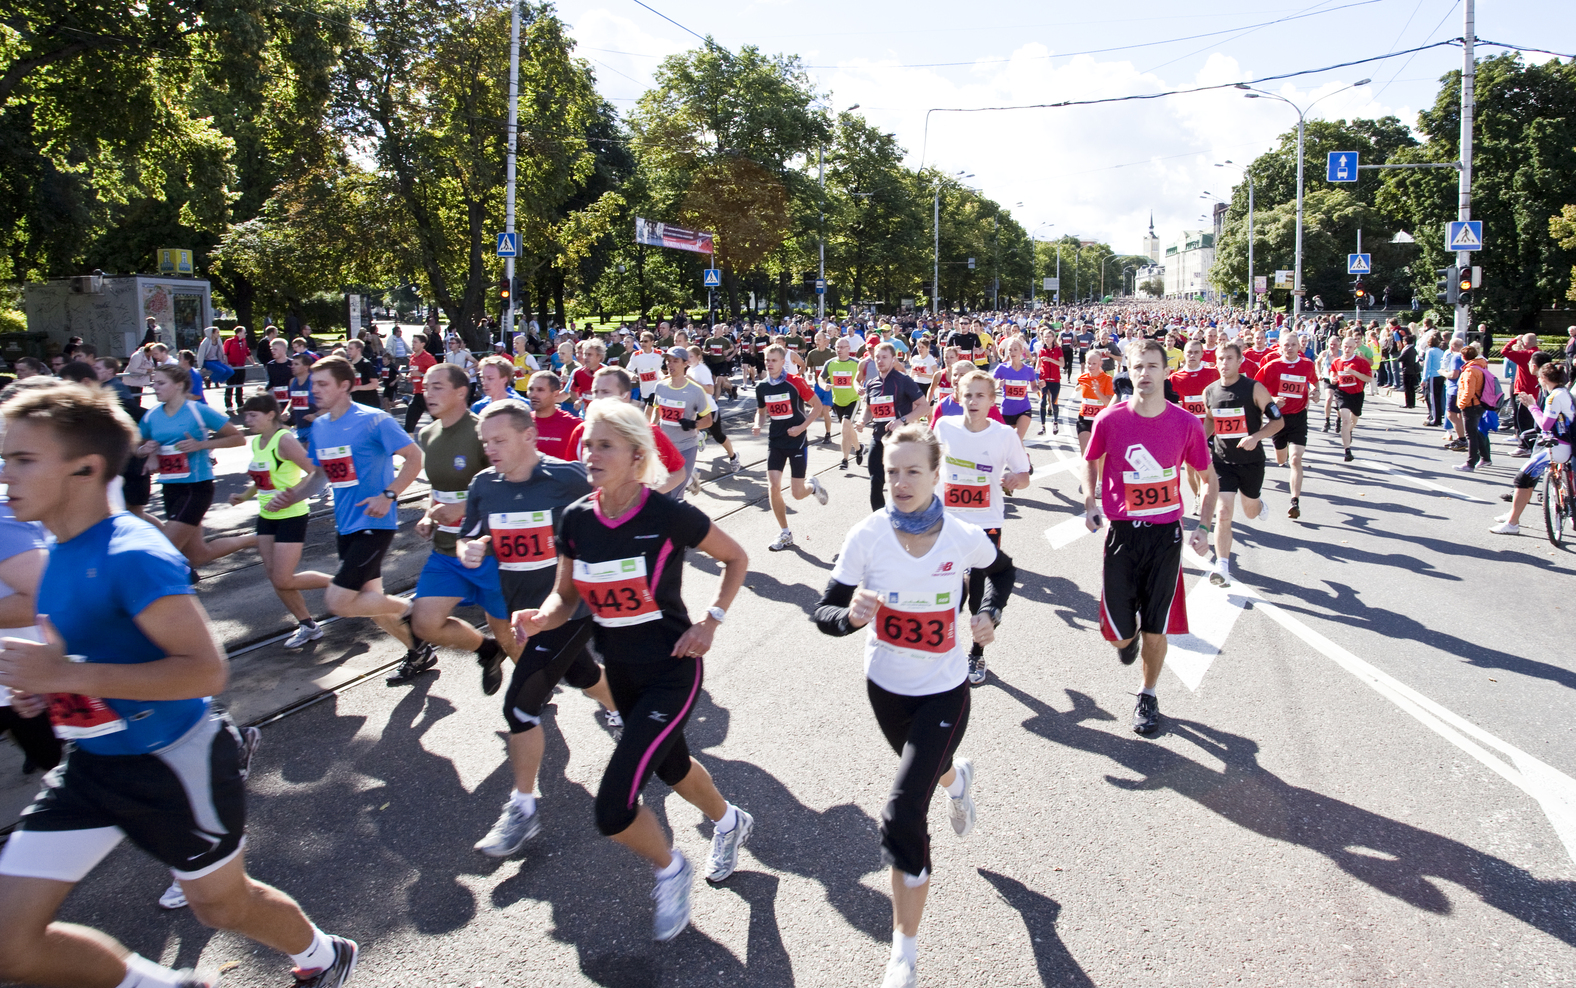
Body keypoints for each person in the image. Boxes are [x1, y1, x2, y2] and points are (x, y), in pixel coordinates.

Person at [0, 382, 359, 988]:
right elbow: (81, 654)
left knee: (220, 905)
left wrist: (63, 673)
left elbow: (205, 671)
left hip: (172, 762)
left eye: (23, 459)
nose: (7, 473)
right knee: (9, 946)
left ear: (85, 468)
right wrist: (48, 689)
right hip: (91, 764)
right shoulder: (57, 550)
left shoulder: (132, 552)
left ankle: (325, 956)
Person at [510, 399, 752, 942]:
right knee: (673, 768)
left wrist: (710, 622)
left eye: (604, 445)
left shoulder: (666, 514)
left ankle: (671, 868)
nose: (589, 453)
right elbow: (564, 597)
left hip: (673, 668)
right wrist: (539, 618)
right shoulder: (576, 519)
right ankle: (731, 821)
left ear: (637, 456)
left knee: (614, 804)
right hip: (621, 675)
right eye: (587, 443)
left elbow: (736, 558)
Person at [812, 423, 1015, 988]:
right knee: (928, 769)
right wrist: (850, 617)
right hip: (886, 688)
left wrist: (989, 617)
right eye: (890, 471)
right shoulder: (867, 536)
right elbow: (823, 612)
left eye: (912, 472)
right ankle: (958, 779)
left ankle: (903, 951)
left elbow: (1001, 572)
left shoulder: (961, 535)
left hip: (946, 689)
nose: (899, 482)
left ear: (935, 476)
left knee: (903, 810)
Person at [460, 401, 620, 856]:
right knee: (582, 675)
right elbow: (472, 532)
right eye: (485, 442)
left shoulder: (566, 478)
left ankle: (523, 809)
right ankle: (623, 710)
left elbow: (608, 510)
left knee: (520, 708)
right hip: (521, 610)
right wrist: (472, 548)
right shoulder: (483, 485)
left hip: (571, 607)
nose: (490, 449)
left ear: (529, 437)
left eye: (500, 440)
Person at [1082, 339, 1213, 736]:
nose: (1145, 374)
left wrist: (1204, 525)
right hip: (1122, 535)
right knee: (1121, 636)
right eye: (1138, 367)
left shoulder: (1185, 423)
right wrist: (1091, 500)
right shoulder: (1111, 420)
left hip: (1164, 538)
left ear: (1164, 372)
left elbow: (1208, 480)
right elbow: (1092, 460)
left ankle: (1148, 692)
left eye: (1153, 366)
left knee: (1156, 627)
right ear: (1130, 371)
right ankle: (1128, 641)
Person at [308, 355, 431, 670]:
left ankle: (412, 610)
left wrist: (389, 495)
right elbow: (320, 475)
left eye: (323, 384)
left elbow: (414, 456)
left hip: (375, 521)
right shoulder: (319, 426)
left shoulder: (375, 419)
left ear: (345, 385)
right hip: (345, 524)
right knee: (372, 604)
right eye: (313, 383)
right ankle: (420, 651)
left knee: (339, 602)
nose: (314, 390)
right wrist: (290, 495)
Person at [396, 364, 509, 690]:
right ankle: (487, 650)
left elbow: (508, 486)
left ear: (461, 392)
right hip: (447, 551)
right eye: (426, 387)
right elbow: (439, 489)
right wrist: (429, 515)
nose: (427, 394)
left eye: (436, 387)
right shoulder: (428, 435)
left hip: (489, 553)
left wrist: (464, 508)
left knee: (510, 636)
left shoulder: (481, 432)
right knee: (425, 624)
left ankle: (533, 693)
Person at [933, 371, 1030, 686]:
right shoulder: (944, 427)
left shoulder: (1004, 435)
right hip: (948, 522)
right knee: (945, 591)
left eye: (980, 396)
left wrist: (1016, 480)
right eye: (967, 395)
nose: (973, 401)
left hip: (986, 523)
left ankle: (976, 652)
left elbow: (1023, 474)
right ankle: (942, 650)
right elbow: (928, 464)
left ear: (991, 400)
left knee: (978, 594)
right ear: (959, 397)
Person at [229, 395, 332, 646]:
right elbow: (261, 479)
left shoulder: (284, 440)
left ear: (270, 415)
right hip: (266, 516)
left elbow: (315, 473)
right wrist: (244, 496)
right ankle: (307, 624)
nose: (247, 420)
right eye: (246, 415)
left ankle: (343, 584)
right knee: (275, 576)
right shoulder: (257, 443)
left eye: (253, 415)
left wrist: (292, 496)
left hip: (291, 515)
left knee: (284, 578)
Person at [134, 366, 256, 572]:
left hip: (196, 487)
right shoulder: (151, 416)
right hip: (170, 487)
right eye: (154, 382)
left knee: (164, 548)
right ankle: (256, 539)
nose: (154, 387)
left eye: (161, 383)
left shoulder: (197, 411)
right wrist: (148, 452)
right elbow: (137, 447)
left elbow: (238, 438)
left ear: (179, 385)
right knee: (198, 555)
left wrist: (201, 445)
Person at [1201, 343, 1282, 587]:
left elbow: (1277, 421)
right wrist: (1200, 442)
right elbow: (1210, 420)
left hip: (1251, 461)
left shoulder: (1254, 388)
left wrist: (1256, 436)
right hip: (1222, 461)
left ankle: (1258, 503)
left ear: (1239, 362)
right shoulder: (1210, 391)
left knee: (1249, 511)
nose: (1223, 363)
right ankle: (1222, 566)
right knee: (1223, 512)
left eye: (1229, 358)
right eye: (1220, 358)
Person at [753, 345, 829, 551]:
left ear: (782, 362)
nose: (769, 364)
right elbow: (761, 412)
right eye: (767, 360)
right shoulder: (762, 387)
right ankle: (785, 533)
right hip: (775, 440)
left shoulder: (795, 383)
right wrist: (758, 423)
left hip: (797, 440)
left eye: (774, 360)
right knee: (773, 485)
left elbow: (817, 407)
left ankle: (812, 487)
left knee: (797, 493)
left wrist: (801, 427)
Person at [566, 367, 687, 496]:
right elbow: (570, 477)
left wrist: (645, 497)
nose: (599, 398)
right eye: (596, 392)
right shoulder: (581, 432)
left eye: (606, 392)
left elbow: (678, 472)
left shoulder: (648, 432)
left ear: (625, 396)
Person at [0, 498, 55, 776]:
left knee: (54, 759)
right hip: (17, 683)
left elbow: (42, 599)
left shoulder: (2, 520)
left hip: (32, 677)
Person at [1492, 363, 1574, 534]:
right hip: (1564, 444)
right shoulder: (1564, 392)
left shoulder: (1554, 397)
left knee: (1522, 479)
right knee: (1528, 479)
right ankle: (1512, 516)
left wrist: (1532, 406)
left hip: (1558, 447)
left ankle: (1512, 523)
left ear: (1543, 379)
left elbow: (1545, 424)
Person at [856, 342, 931, 511]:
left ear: (893, 359)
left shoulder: (903, 381)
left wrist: (902, 420)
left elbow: (924, 407)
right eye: (877, 358)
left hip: (901, 441)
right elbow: (868, 409)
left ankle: (909, 513)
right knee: (875, 481)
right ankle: (880, 520)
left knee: (901, 484)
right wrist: (862, 421)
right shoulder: (871, 384)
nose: (880, 361)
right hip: (878, 438)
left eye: (884, 357)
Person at [1255, 331, 1316, 519]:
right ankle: (1283, 454)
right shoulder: (1271, 366)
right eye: (1286, 345)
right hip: (1278, 419)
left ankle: (1294, 501)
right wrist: (1272, 399)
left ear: (1299, 347)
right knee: (1282, 459)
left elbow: (1313, 383)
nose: (1289, 348)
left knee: (1296, 459)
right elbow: (1256, 389)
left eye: (1293, 345)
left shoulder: (1307, 365)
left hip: (1298, 417)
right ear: (1279, 347)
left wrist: (1315, 393)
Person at [649, 348, 712, 497]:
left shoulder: (695, 391)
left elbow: (708, 420)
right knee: (661, 492)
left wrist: (693, 424)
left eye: (675, 361)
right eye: (668, 361)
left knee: (676, 494)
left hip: (686, 447)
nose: (670, 365)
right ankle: (691, 478)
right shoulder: (660, 387)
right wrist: (651, 431)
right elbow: (657, 411)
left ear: (685, 363)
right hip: (664, 447)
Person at [1329, 336, 1374, 462]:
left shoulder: (1361, 362)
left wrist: (1354, 373)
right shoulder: (1337, 361)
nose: (1347, 349)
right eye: (1345, 346)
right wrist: (1333, 378)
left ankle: (1348, 432)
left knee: (1353, 420)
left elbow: (1368, 378)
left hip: (1357, 394)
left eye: (1350, 347)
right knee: (1345, 419)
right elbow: (1333, 372)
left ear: (1355, 347)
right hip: (1342, 393)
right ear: (1341, 347)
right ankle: (1347, 451)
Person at [822, 336, 863, 469]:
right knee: (848, 429)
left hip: (853, 400)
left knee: (845, 427)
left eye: (842, 347)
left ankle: (844, 460)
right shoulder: (830, 363)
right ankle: (858, 448)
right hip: (838, 402)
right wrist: (824, 385)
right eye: (837, 347)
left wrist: (863, 387)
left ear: (849, 348)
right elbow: (821, 378)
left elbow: (866, 377)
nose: (839, 350)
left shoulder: (857, 363)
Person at [1454, 344, 1494, 472]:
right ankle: (1485, 458)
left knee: (1471, 435)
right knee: (1476, 432)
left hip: (1471, 405)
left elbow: (1468, 391)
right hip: (1479, 403)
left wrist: (1461, 404)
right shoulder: (1480, 366)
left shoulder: (1470, 370)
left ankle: (1471, 463)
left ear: (1464, 357)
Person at [525, 370, 581, 461]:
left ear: (555, 393)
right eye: (531, 389)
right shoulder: (520, 423)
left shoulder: (574, 425)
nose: (533, 394)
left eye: (540, 390)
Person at [992, 338, 1037, 441]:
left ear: (1021, 351)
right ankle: (1025, 457)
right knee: (1009, 442)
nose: (1012, 352)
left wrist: (1040, 387)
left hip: (1023, 410)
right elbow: (988, 385)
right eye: (1010, 350)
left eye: (1015, 349)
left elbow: (1034, 388)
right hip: (1007, 411)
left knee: (1017, 439)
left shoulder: (1029, 370)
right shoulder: (1002, 368)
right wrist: (997, 386)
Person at [404, 333, 438, 433]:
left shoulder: (428, 358)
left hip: (429, 395)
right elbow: (413, 372)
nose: (412, 344)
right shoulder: (412, 357)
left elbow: (436, 375)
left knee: (439, 422)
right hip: (417, 394)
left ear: (422, 344)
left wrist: (421, 374)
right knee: (408, 426)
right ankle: (408, 448)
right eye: (412, 342)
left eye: (415, 342)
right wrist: (410, 376)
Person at [1036, 335, 1063, 435]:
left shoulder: (1058, 349)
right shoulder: (1042, 350)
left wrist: (1050, 360)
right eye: (1045, 337)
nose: (1047, 338)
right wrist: (1035, 371)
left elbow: (1062, 364)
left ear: (1053, 338)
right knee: (1042, 402)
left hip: (1055, 380)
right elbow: (1038, 363)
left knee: (1054, 402)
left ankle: (1055, 422)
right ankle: (1043, 426)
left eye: (1049, 337)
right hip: (1044, 379)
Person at [223, 326, 253, 411]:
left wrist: (253, 363)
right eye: (244, 332)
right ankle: (228, 404)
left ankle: (240, 403)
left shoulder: (244, 342)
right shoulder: (230, 341)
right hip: (232, 367)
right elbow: (225, 353)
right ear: (239, 333)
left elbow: (248, 353)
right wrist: (227, 364)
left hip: (241, 366)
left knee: (240, 385)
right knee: (230, 385)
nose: (246, 334)